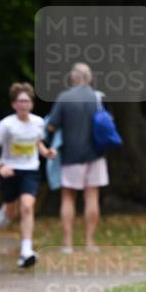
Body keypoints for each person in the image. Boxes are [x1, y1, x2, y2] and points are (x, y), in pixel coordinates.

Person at [0, 82, 56, 268]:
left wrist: (46, 153)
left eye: (27, 101)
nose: (24, 104)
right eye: (20, 101)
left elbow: (38, 143)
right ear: (14, 104)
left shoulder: (38, 122)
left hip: (30, 170)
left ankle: (26, 250)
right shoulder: (7, 124)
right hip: (9, 170)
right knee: (11, 210)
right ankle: (5, 212)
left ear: (31, 104)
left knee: (27, 206)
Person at [45, 62, 108, 252]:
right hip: (96, 155)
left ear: (73, 77)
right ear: (89, 78)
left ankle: (67, 243)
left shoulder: (64, 98)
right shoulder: (98, 98)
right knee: (92, 197)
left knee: (68, 198)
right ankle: (90, 242)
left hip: (71, 155)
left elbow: (51, 126)